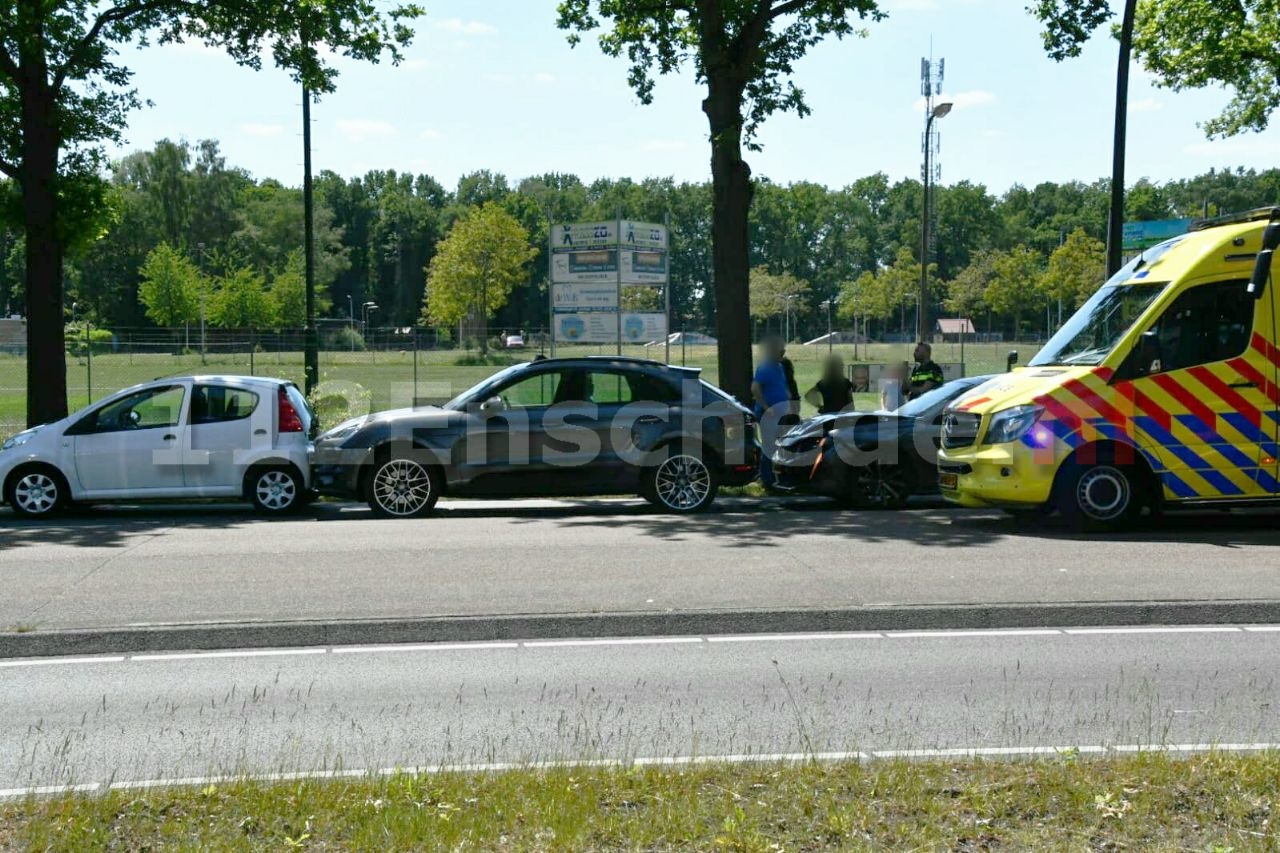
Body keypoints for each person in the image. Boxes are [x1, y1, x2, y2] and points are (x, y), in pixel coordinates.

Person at [751, 335, 791, 490]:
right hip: (768, 413)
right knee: (769, 446)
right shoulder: (765, 367)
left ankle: (779, 477)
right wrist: (767, 408)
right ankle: (767, 480)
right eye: (780, 352)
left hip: (780, 412)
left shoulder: (779, 367)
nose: (783, 354)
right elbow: (755, 388)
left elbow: (783, 386)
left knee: (780, 445)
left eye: (783, 351)